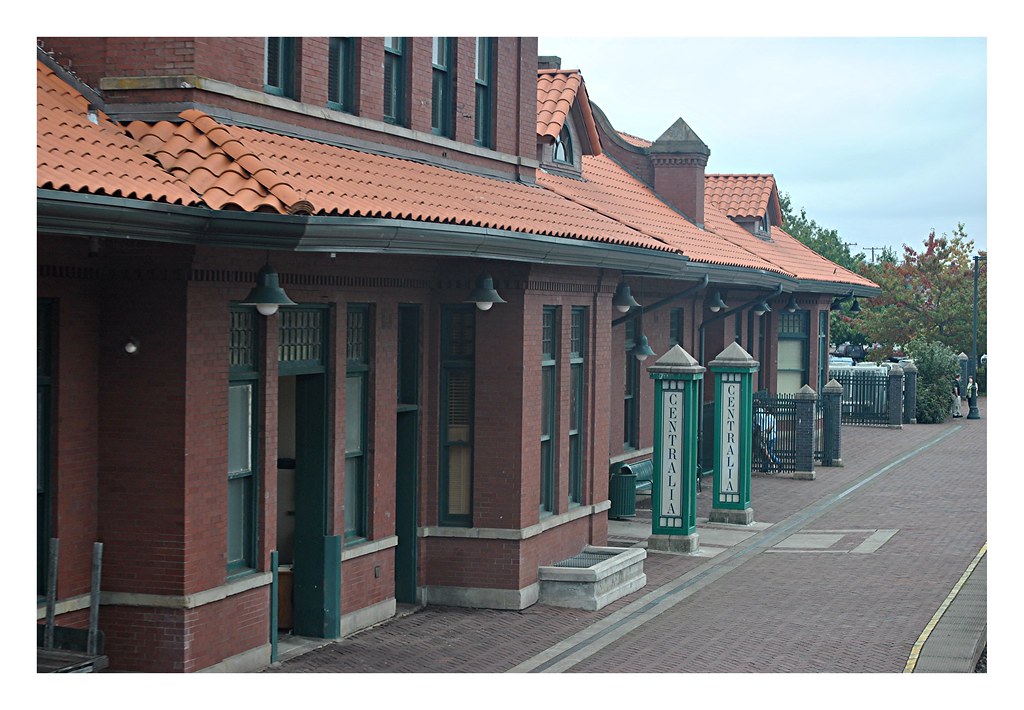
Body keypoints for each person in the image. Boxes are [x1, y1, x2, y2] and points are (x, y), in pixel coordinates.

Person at [754, 405, 781, 473]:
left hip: (770, 437)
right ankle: (765, 467)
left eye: (765, 409)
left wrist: (765, 432)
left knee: (768, 451)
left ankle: (778, 462)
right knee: (764, 452)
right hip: (766, 437)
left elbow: (770, 427)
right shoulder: (766, 417)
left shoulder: (771, 417)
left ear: (768, 410)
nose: (764, 410)